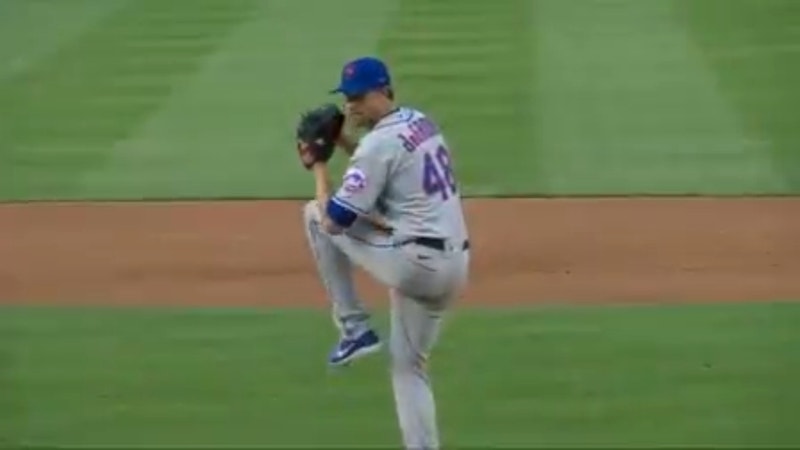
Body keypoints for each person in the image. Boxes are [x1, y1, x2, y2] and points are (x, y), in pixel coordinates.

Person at [301, 56, 470, 450]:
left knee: (314, 215)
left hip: (416, 264)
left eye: (358, 97)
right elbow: (385, 166)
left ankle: (354, 327)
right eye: (347, 98)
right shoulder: (418, 122)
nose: (351, 106)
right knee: (408, 366)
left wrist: (319, 165)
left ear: (382, 91)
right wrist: (343, 143)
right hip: (453, 266)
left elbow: (336, 220)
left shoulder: (378, 145)